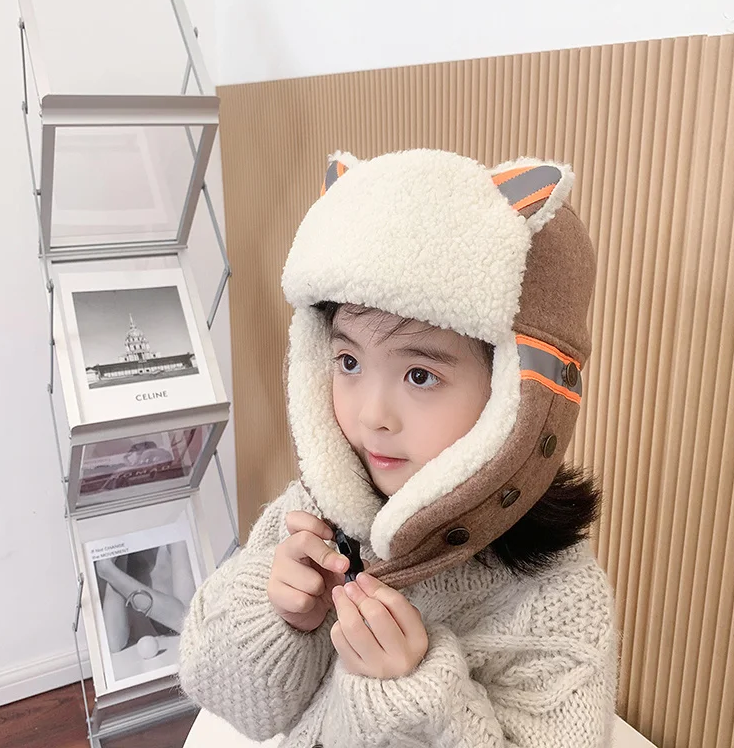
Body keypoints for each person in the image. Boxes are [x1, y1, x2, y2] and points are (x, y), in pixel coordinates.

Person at [179, 149, 618, 747]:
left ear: (514, 395)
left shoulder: (558, 598)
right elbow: (226, 699)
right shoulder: (309, 516)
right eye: (348, 362)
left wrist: (414, 700)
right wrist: (277, 616)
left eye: (420, 375)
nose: (371, 416)